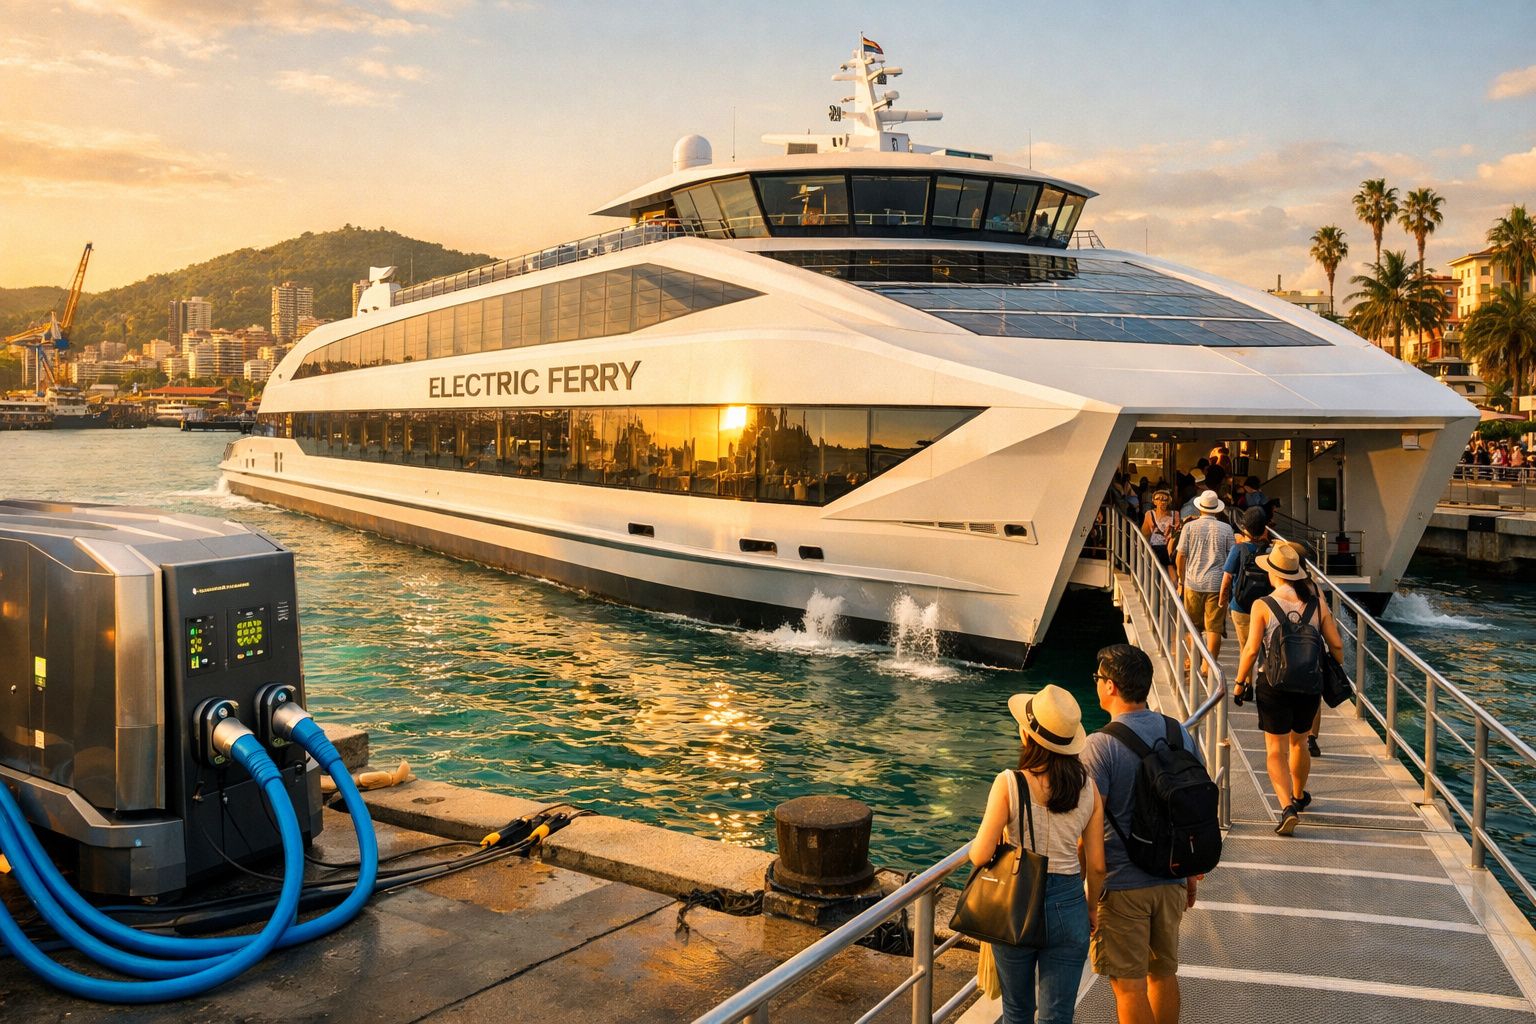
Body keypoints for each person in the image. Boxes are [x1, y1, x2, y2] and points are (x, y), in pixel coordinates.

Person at [970, 685, 1106, 1024]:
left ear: (1027, 736)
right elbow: (1099, 865)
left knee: (1016, 1013)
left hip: (1016, 903)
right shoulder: (1088, 788)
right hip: (1070, 903)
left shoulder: (1009, 783)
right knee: (1057, 1016)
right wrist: (1090, 909)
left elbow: (979, 855)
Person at [1083, 645, 1201, 1024]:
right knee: (1163, 974)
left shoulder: (1099, 746)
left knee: (1128, 986)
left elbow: (1087, 824)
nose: (1097, 685)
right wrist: (1191, 873)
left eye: (1098, 678)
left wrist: (1087, 889)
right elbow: (1193, 808)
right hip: (1171, 874)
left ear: (1112, 687)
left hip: (1122, 885)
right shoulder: (1178, 732)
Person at [1232, 541, 1345, 835]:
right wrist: (1336, 662)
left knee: (1275, 750)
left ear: (1273, 574)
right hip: (1309, 683)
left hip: (1274, 684)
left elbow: (1251, 650)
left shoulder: (1263, 605)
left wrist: (1239, 682)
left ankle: (1286, 808)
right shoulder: (1316, 603)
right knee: (1299, 742)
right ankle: (1298, 795)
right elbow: (1337, 645)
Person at [1175, 490, 1235, 672]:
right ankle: (1208, 665)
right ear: (1216, 510)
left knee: (1193, 626)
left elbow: (1180, 556)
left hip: (1193, 582)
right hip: (1218, 583)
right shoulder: (1226, 529)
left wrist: (1181, 579)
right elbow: (1232, 557)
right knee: (1214, 627)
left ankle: (1195, 659)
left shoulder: (1189, 527)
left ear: (1200, 508)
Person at [1219, 507, 1272, 652]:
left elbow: (1227, 578)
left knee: (1246, 648)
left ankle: (1247, 674)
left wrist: (1222, 602)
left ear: (1245, 528)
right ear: (1264, 529)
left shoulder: (1238, 549)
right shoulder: (1270, 551)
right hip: (1264, 606)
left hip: (1240, 606)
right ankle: (1263, 671)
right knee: (1263, 648)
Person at [1141, 490, 1181, 569]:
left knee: (1170, 571)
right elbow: (1145, 534)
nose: (1161, 501)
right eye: (1158, 498)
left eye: (1164, 499)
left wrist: (1171, 533)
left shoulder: (1175, 514)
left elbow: (1178, 533)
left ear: (1168, 501)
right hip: (1155, 548)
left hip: (1169, 548)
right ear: (1154, 501)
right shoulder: (1149, 514)